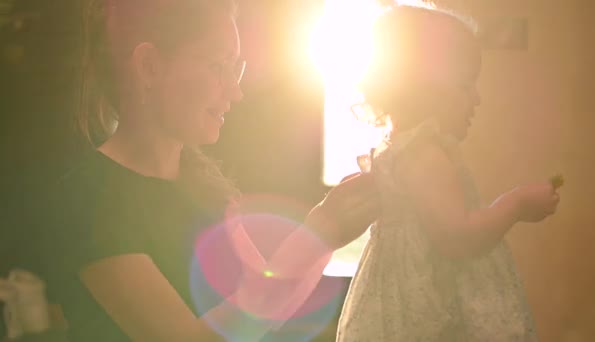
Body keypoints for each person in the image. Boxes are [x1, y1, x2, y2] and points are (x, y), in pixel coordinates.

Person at [19, 0, 379, 341]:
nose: (235, 92)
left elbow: (265, 311)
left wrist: (325, 230)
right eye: (217, 66)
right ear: (149, 67)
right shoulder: (87, 198)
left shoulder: (200, 179)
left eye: (237, 69)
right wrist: (319, 233)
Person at [336, 3, 560, 341]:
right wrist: (516, 204)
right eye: (466, 85)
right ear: (427, 86)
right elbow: (458, 237)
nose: (477, 99)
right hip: (430, 311)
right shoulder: (424, 154)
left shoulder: (400, 149)